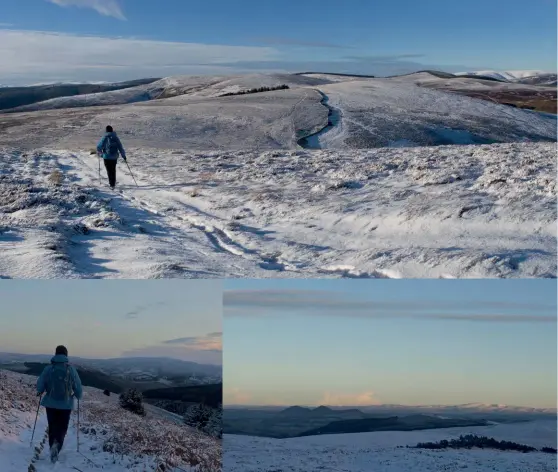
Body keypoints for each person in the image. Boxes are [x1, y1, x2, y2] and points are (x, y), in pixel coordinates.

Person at [37, 345, 83, 463]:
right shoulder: (70, 369)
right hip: (66, 404)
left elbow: (41, 381)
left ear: (56, 354)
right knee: (62, 426)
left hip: (50, 402)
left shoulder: (48, 368)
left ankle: (52, 443)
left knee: (52, 425)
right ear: (66, 355)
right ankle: (57, 445)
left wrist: (40, 391)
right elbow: (77, 385)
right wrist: (78, 395)